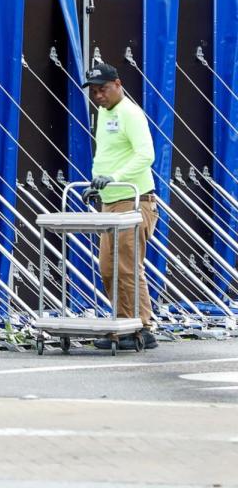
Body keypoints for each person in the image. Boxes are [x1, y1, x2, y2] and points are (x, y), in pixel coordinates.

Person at [82, 62, 159, 350]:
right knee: (108, 267)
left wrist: (113, 178)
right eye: (93, 91)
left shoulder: (130, 113)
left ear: (118, 84)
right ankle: (124, 324)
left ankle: (141, 328)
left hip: (135, 199)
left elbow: (146, 155)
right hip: (112, 201)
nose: (98, 96)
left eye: (102, 89)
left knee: (127, 267)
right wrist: (96, 185)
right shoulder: (104, 112)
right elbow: (108, 155)